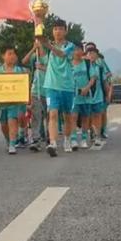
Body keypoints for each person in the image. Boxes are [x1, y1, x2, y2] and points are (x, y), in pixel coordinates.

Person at [35, 19, 74, 157]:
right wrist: (38, 29)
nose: (57, 31)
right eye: (55, 29)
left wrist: (47, 44)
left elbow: (61, 54)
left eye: (60, 29)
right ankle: (53, 143)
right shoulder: (49, 48)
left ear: (65, 31)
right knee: (52, 114)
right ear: (52, 31)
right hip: (51, 86)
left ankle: (68, 139)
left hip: (67, 86)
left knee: (67, 116)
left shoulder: (70, 46)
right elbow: (44, 52)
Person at [0, 46, 27, 154]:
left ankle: (13, 144)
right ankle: (8, 141)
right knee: (3, 125)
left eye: (13, 54)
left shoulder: (20, 71)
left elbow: (24, 86)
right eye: (9, 54)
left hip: (15, 102)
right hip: (2, 103)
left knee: (12, 121)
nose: (12, 56)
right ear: (3, 56)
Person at [70, 43, 97, 150]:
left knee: (85, 118)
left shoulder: (87, 63)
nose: (76, 52)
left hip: (86, 95)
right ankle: (73, 139)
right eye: (74, 50)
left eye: (79, 49)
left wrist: (87, 88)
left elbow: (93, 78)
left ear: (82, 51)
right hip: (74, 96)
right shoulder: (69, 64)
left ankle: (84, 139)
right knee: (73, 117)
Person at [22, 40, 48, 151]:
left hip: (49, 90)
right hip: (35, 91)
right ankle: (36, 139)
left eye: (40, 42)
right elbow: (24, 61)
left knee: (50, 115)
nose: (38, 45)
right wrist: (33, 48)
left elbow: (53, 70)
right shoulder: (34, 56)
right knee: (36, 115)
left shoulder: (49, 56)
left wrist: (41, 67)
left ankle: (50, 138)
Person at [85, 45, 110, 147]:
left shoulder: (99, 67)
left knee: (98, 116)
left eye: (93, 53)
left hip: (98, 96)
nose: (91, 55)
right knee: (89, 117)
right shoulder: (84, 66)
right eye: (89, 53)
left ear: (96, 55)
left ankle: (97, 135)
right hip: (86, 96)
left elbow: (105, 82)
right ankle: (91, 132)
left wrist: (107, 94)